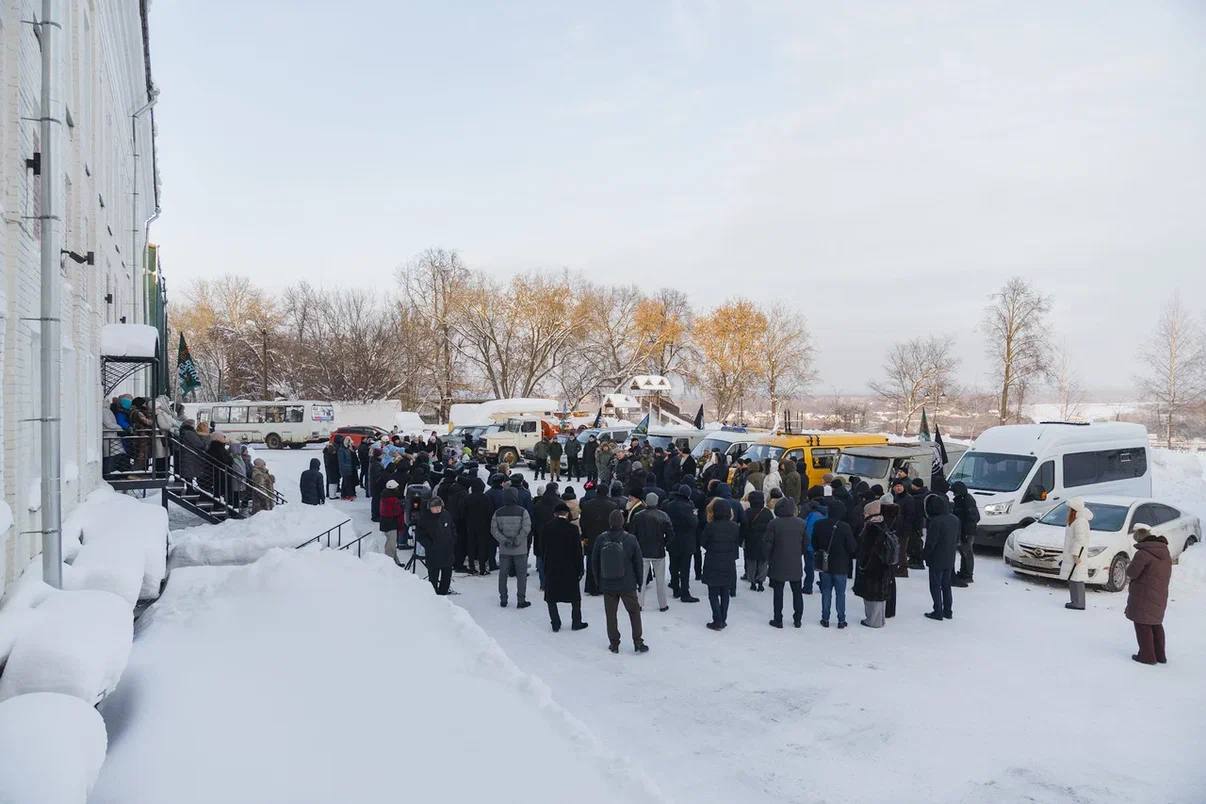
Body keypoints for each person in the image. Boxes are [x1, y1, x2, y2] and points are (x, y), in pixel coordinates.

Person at [591, 509, 648, 654]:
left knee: (611, 615)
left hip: (608, 583)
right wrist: (640, 581)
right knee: (634, 612)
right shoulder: (631, 539)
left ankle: (614, 643)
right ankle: (638, 641)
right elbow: (638, 562)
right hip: (627, 583)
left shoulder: (601, 539)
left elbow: (594, 562)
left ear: (609, 522)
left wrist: (598, 581)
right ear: (622, 522)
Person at [1125, 524, 1172, 665]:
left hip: (1143, 593)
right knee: (1155, 623)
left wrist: (1128, 566)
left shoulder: (1143, 554)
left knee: (1142, 623)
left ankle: (1147, 656)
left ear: (1139, 539)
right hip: (1160, 593)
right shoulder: (1164, 552)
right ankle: (1160, 655)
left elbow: (1132, 573)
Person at [543, 503, 588, 632]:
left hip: (552, 566)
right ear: (567, 513)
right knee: (574, 597)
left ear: (554, 514)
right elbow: (578, 551)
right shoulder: (573, 529)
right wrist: (580, 569)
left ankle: (555, 623)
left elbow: (542, 548)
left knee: (551, 597)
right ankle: (576, 622)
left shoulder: (547, 528)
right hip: (570, 567)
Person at [813, 498, 857, 628]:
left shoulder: (819, 524)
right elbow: (852, 547)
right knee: (840, 594)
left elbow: (814, 543)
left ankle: (825, 618)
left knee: (826, 592)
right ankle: (841, 620)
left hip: (824, 564)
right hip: (841, 565)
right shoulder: (845, 527)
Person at [854, 501, 897, 628]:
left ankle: (873, 621)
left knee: (871, 595)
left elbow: (866, 549)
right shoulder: (883, 524)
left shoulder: (871, 528)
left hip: (872, 567)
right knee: (880, 595)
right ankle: (880, 619)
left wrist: (863, 565)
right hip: (883, 566)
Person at [629, 493, 674, 612]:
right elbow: (671, 534)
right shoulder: (663, 516)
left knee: (641, 580)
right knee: (660, 581)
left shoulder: (638, 516)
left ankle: (639, 604)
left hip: (642, 551)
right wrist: (664, 543)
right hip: (658, 552)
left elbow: (632, 534)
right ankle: (663, 604)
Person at [765, 498, 806, 628]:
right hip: (795, 562)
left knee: (778, 593)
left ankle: (778, 619)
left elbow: (768, 544)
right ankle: (798, 619)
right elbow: (806, 544)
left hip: (778, 561)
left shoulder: (774, 524)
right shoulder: (801, 523)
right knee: (797, 592)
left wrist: (768, 558)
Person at [701, 500, 740, 630]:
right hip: (728, 562)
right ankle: (723, 618)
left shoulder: (710, 526)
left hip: (713, 561)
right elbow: (737, 542)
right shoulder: (734, 526)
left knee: (713, 593)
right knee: (725, 592)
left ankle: (717, 620)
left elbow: (703, 542)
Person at [491, 489, 532, 609]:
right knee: (521, 576)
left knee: (503, 575)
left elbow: (494, 530)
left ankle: (503, 599)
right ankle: (521, 600)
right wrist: (518, 540)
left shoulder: (498, 512)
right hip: (520, 549)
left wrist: (504, 540)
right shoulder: (523, 511)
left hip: (505, 549)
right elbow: (526, 527)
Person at [922, 494, 959, 621]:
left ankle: (937, 611)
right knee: (946, 585)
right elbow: (957, 539)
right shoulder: (955, 519)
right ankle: (948, 611)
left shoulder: (935, 522)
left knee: (935, 585)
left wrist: (924, 555)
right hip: (950, 557)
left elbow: (931, 543)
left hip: (936, 558)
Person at [579, 479, 618, 596]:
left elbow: (582, 522)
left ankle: (592, 586)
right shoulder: (612, 506)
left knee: (591, 561)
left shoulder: (586, 505)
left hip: (591, 537)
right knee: (607, 562)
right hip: (608, 537)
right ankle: (605, 585)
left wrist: (585, 535)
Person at [665, 484, 700, 603]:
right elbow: (694, 523)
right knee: (685, 568)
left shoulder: (669, 505)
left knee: (673, 565)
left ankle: (675, 588)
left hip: (672, 539)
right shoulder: (689, 507)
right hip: (687, 541)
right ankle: (685, 592)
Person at [417, 496, 456, 594]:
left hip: (447, 552)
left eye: (439, 507)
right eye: (435, 507)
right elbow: (420, 535)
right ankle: (433, 595)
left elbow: (452, 528)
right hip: (433, 554)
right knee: (433, 577)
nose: (437, 509)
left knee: (446, 576)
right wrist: (430, 545)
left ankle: (443, 593)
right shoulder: (425, 518)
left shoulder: (446, 514)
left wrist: (452, 540)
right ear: (430, 508)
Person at [1062, 497, 1093, 611]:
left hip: (1077, 555)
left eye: (1069, 509)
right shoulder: (1076, 520)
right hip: (1074, 554)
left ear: (1074, 509)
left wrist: (1076, 555)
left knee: (1077, 578)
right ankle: (1075, 601)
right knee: (1073, 578)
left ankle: (1079, 603)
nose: (1068, 511)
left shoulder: (1080, 521)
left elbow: (1080, 540)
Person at [740, 491, 773, 591]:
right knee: (763, 562)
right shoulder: (767, 512)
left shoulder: (747, 512)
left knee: (751, 561)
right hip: (764, 541)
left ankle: (752, 582)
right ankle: (761, 582)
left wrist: (741, 539)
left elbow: (743, 527)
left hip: (751, 541)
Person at [462, 477, 495, 575]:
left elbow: (463, 512)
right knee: (482, 546)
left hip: (470, 525)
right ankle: (482, 568)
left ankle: (471, 566)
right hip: (483, 525)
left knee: (471, 545)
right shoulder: (485, 498)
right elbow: (490, 512)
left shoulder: (468, 498)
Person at [950, 481, 980, 587]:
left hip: (967, 531)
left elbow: (973, 517)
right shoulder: (962, 499)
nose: (953, 494)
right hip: (964, 530)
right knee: (964, 552)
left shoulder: (966, 500)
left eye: (954, 491)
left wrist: (967, 532)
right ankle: (964, 573)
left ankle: (967, 574)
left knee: (966, 552)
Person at [906, 478, 929, 570]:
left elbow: (916, 513)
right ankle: (914, 559)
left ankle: (918, 561)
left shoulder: (918, 498)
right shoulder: (922, 494)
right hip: (917, 523)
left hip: (916, 523)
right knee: (914, 542)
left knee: (916, 542)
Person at [379, 480, 403, 564]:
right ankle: (390, 564)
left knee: (390, 543)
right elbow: (397, 512)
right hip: (392, 524)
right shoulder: (394, 500)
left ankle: (396, 562)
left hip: (384, 522)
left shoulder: (384, 496)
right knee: (391, 546)